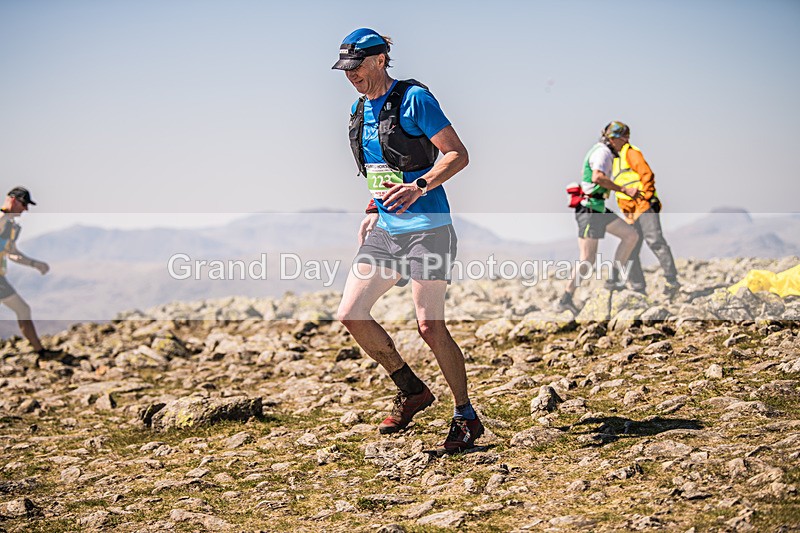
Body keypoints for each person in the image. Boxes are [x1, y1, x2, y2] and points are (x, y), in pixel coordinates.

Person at [332, 28, 482, 451]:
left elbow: (457, 154)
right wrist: (371, 209)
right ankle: (412, 389)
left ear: (380, 60)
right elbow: (381, 168)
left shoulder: (415, 99)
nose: (351, 75)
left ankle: (465, 416)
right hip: (385, 230)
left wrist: (420, 185)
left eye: (357, 66)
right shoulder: (360, 109)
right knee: (351, 314)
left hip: (428, 230)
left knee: (429, 326)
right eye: (345, 69)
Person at [558, 123, 642, 316]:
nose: (626, 143)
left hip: (598, 208)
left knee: (630, 236)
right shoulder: (602, 153)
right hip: (589, 210)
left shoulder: (605, 152)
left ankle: (613, 280)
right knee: (587, 260)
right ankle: (566, 298)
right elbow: (597, 178)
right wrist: (625, 190)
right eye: (624, 138)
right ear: (612, 138)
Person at [609, 122, 680, 295]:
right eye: (609, 138)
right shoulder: (615, 159)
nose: (610, 142)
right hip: (631, 212)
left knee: (655, 241)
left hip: (644, 206)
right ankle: (638, 288)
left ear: (624, 138)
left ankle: (672, 280)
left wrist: (645, 198)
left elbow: (646, 175)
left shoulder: (631, 153)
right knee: (631, 248)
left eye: (613, 138)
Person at [0, 187, 59, 358]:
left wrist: (35, 264)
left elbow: (12, 254)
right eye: (24, 204)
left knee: (23, 310)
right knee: (23, 309)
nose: (25, 209)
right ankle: (41, 352)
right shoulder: (3, 219)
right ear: (13, 200)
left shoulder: (10, 225)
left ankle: (41, 351)